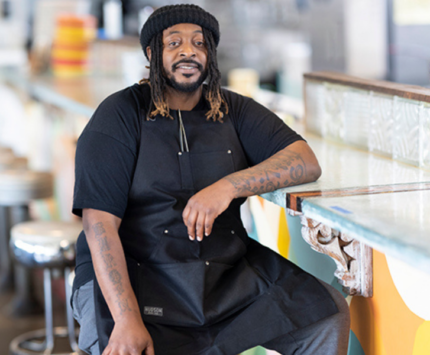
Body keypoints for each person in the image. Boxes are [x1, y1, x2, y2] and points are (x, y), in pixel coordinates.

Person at [71, 4, 350, 355]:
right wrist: (127, 320)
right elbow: (100, 225)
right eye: (173, 43)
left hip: (223, 270)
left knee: (324, 315)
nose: (188, 50)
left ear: (211, 55)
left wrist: (228, 186)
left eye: (199, 43)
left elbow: (305, 160)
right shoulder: (120, 114)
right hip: (134, 272)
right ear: (151, 54)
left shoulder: (233, 109)